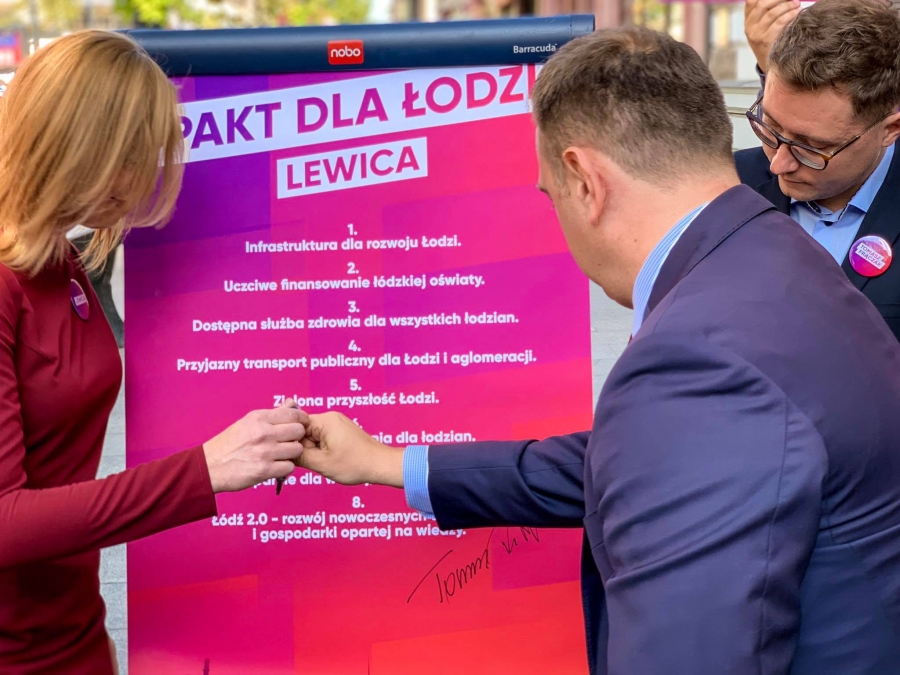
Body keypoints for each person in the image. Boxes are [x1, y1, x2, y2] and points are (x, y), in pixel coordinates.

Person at [295, 27, 900, 675]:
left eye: (550, 194)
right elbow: (658, 455)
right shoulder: (775, 253)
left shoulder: (697, 355)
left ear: (585, 180)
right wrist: (388, 463)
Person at [0, 31, 308, 675]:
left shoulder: (59, 257)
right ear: (72, 140)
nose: (143, 174)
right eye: (130, 152)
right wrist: (205, 470)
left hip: (68, 633)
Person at [739, 0, 900, 339]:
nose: (779, 164)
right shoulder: (723, 185)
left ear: (890, 129)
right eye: (770, 126)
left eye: (811, 147)